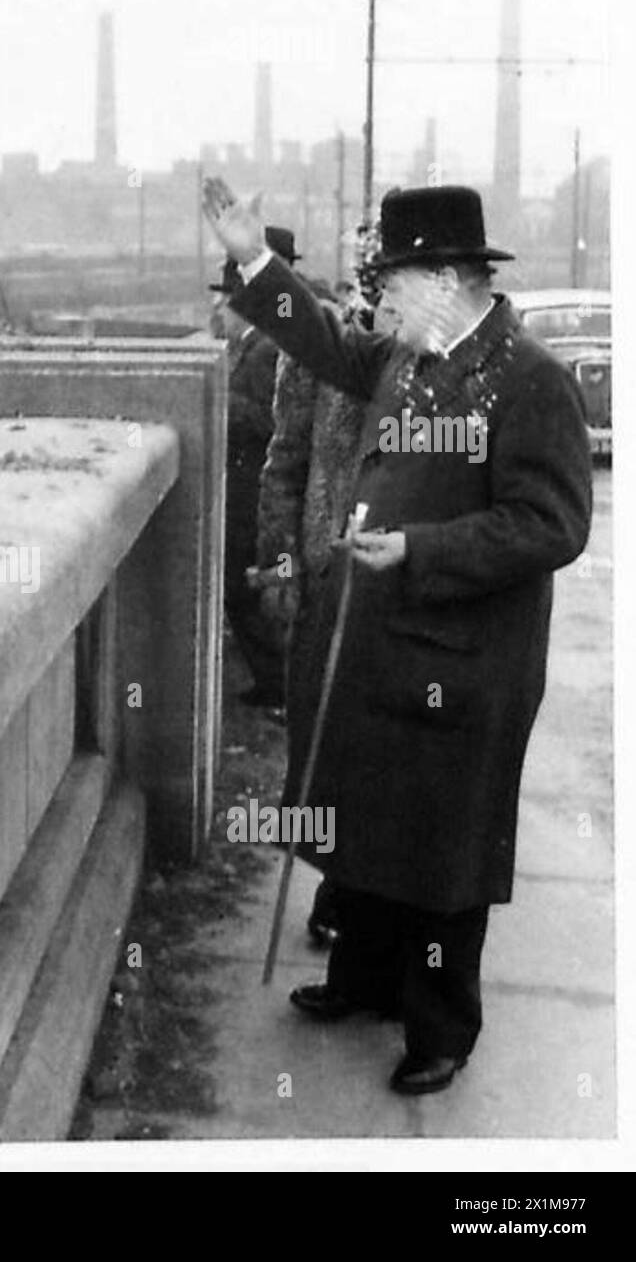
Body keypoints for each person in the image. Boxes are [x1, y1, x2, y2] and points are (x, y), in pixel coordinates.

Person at [202, 179, 592, 1095]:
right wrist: (255, 259)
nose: (379, 295)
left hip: (465, 661)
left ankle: (439, 1030)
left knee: (441, 851)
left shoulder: (530, 381)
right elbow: (323, 340)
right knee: (370, 821)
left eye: (396, 277)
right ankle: (364, 982)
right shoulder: (408, 359)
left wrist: (420, 549)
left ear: (450, 278)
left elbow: (552, 524)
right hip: (384, 645)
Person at [248, 225, 387, 948]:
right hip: (327, 583)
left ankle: (369, 908)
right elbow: (284, 464)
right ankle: (337, 889)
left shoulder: (446, 368)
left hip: (404, 592)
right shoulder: (324, 354)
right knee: (326, 748)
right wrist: (281, 569)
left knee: (388, 757)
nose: (385, 294)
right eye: (378, 279)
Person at [213, 226, 296, 709]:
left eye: (226, 300)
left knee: (248, 590)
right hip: (247, 488)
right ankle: (274, 684)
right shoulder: (254, 345)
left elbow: (273, 418)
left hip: (253, 491)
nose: (218, 311)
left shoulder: (266, 348)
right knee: (245, 590)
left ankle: (278, 686)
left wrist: (220, 403)